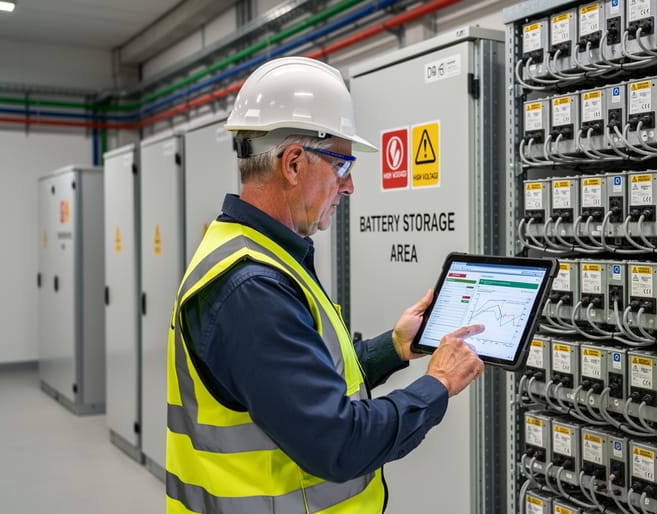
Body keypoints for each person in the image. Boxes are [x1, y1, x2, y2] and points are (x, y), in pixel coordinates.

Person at [164, 56, 485, 514]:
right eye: (342, 165)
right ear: (293, 164)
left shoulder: (250, 253)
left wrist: (391, 349)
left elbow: (300, 388)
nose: (349, 185)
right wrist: (439, 384)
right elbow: (340, 443)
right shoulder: (252, 287)